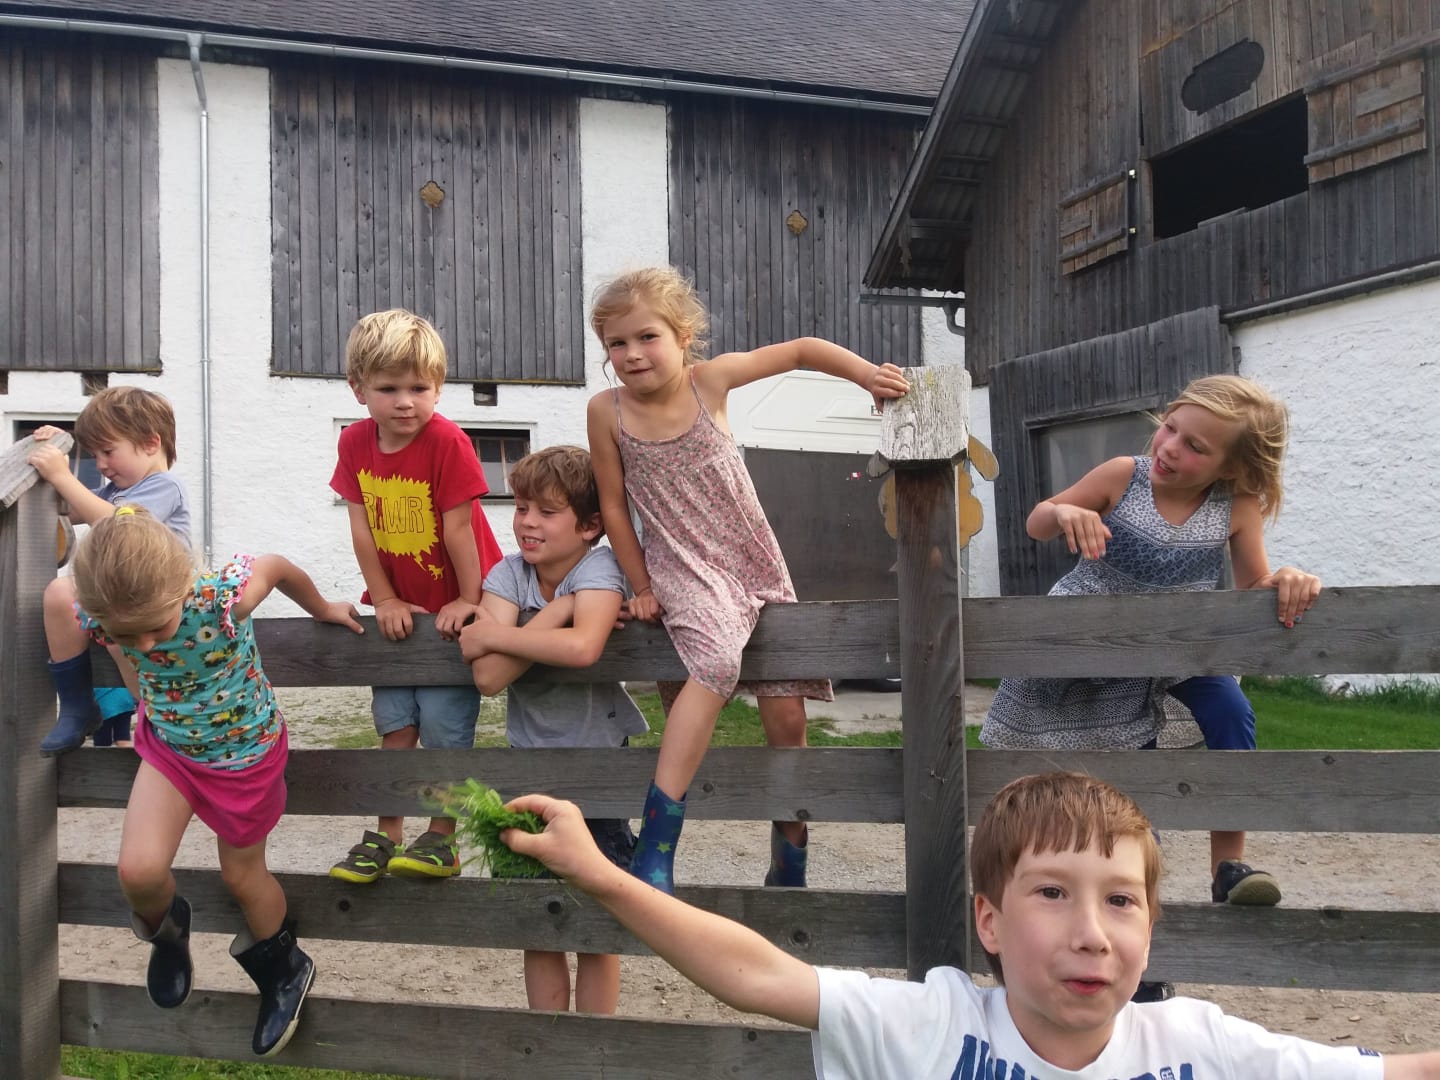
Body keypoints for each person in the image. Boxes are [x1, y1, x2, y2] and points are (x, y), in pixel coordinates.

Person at [499, 771, 1440, 1079]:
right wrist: (599, 874)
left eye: (1120, 900)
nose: (1091, 932)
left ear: (1152, 926)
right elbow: (755, 973)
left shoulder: (1201, 1047)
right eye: (1051, 894)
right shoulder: (933, 1026)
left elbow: (1393, 1073)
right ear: (987, 920)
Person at [585, 267, 910, 894]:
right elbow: (614, 506)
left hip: (752, 562)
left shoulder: (710, 382)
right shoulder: (607, 412)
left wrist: (866, 374)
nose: (632, 354)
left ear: (683, 337)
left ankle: (790, 852)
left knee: (786, 720)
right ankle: (657, 841)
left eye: (647, 337)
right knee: (712, 662)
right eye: (616, 344)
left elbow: (802, 350)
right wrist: (641, 585)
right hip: (684, 566)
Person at [981, 374, 1321, 921]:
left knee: (1231, 709)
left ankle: (1228, 866)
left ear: (1231, 467)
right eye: (1170, 428)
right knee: (1117, 773)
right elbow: (1037, 523)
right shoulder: (1123, 476)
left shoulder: (1238, 506)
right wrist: (1065, 512)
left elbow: (1253, 586)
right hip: (1089, 641)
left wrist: (1284, 578)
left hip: (1179, 648)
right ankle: (1115, 895)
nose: (1170, 447)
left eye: (1195, 446)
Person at [71, 507, 362, 1058]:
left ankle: (284, 968)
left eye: (157, 627)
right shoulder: (104, 613)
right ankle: (168, 933)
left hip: (244, 757)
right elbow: (117, 650)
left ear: (182, 586)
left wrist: (323, 608)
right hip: (172, 751)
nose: (147, 645)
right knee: (138, 871)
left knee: (241, 876)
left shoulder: (223, 598)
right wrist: (128, 678)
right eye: (129, 634)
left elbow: (276, 565)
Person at [459, 444, 649, 1014]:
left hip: (598, 771)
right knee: (536, 920)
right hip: (528, 767)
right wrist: (559, 614)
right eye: (521, 508)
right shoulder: (508, 572)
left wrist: (508, 631)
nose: (528, 522)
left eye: (547, 511)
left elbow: (585, 648)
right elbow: (489, 677)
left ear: (590, 525)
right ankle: (548, 1042)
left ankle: (594, 1047)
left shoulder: (601, 567)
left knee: (597, 919)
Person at [328, 308, 504, 885]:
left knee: (445, 726)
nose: (406, 402)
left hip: (455, 606)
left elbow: (460, 529)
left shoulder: (447, 441)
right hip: (400, 606)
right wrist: (383, 600)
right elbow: (361, 530)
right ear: (358, 388)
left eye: (419, 389)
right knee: (395, 724)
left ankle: (442, 838)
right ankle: (387, 833)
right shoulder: (355, 442)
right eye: (389, 389)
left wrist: (469, 599)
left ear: (438, 388)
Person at [25, 387, 191, 755]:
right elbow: (71, 509)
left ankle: (156, 720)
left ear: (150, 443)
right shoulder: (115, 489)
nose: (100, 464)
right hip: (120, 595)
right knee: (59, 593)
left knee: (131, 654)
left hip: (159, 601)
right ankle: (76, 707)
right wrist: (54, 452)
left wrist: (63, 476)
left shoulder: (165, 486)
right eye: (94, 454)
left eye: (108, 452)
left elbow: (121, 524)